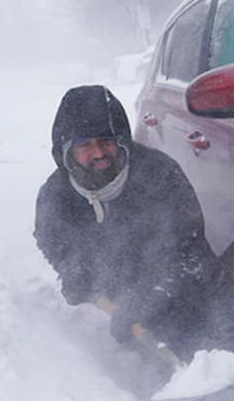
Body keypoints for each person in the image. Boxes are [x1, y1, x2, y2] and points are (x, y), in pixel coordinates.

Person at [33, 85, 219, 359]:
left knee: (206, 323)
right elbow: (50, 240)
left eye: (106, 141)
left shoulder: (160, 175)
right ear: (67, 151)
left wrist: (148, 297)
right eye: (85, 145)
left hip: (179, 289)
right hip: (115, 289)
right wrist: (73, 269)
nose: (98, 153)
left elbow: (189, 251)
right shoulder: (56, 195)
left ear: (122, 141)